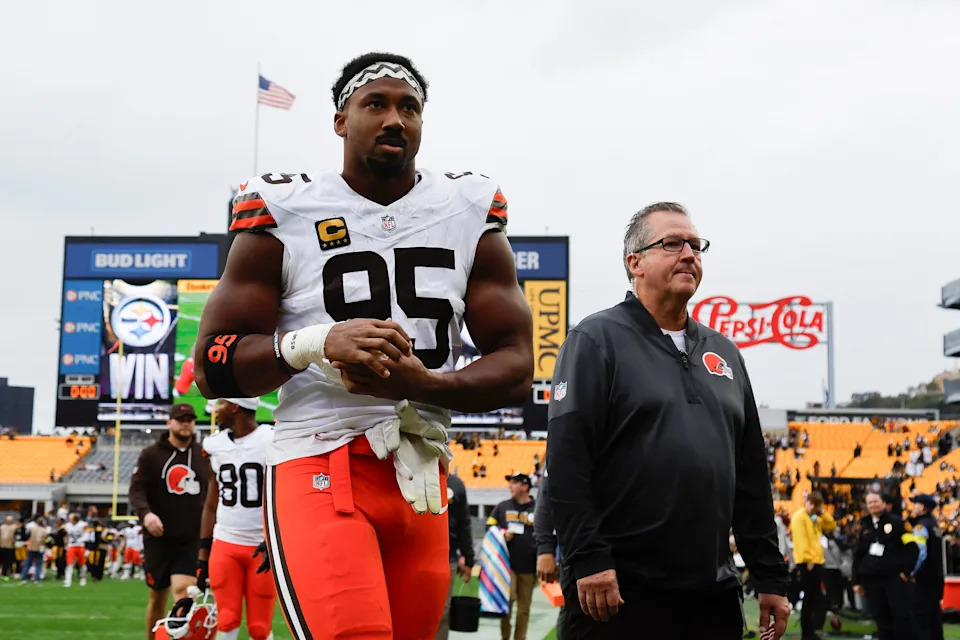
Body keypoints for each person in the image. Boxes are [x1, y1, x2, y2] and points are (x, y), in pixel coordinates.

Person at [193, 51, 533, 640]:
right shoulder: (284, 207)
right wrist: (314, 342)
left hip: (419, 466)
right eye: (375, 103)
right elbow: (213, 365)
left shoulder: (468, 206)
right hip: (320, 458)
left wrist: (425, 384)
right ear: (340, 121)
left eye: (409, 107)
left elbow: (517, 363)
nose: (395, 119)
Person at [546, 202, 790, 639]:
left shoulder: (726, 353)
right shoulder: (594, 339)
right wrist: (589, 558)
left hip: (711, 594)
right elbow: (566, 463)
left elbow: (750, 475)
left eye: (696, 246)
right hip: (618, 590)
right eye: (672, 243)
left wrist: (769, 574)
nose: (689, 254)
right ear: (634, 262)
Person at [128, 402, 210, 640]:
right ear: (170, 422)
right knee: (157, 598)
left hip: (190, 539)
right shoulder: (151, 455)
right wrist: (146, 514)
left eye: (190, 420)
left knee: (184, 595)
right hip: (158, 540)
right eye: (181, 419)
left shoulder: (202, 455)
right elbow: (136, 490)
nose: (186, 424)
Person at [197, 398, 276, 640]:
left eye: (220, 404)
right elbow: (211, 504)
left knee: (259, 628)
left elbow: (283, 498)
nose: (214, 411)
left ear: (235, 407)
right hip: (225, 544)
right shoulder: (214, 445)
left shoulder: (272, 440)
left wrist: (274, 539)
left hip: (262, 547)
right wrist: (202, 555)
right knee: (227, 619)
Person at [852, 490, 919, 640]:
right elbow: (858, 554)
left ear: (883, 503)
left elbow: (912, 549)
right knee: (881, 620)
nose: (873, 505)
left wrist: (906, 572)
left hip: (894, 579)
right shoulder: (864, 524)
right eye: (870, 502)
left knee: (901, 618)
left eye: (876, 501)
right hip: (871, 580)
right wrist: (856, 580)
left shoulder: (898, 523)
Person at [487, 473, 538, 640]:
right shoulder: (502, 506)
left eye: (514, 483)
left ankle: (520, 638)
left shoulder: (538, 508)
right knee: (507, 603)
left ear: (525, 487)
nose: (510, 486)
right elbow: (489, 529)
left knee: (524, 608)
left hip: (529, 565)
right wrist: (502, 533)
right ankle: (505, 637)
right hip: (506, 566)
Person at [790, 491, 836, 640]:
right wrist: (808, 560)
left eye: (815, 506)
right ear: (806, 502)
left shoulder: (815, 517)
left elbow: (831, 525)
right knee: (811, 598)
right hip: (808, 563)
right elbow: (801, 540)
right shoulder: (799, 517)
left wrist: (822, 513)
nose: (812, 507)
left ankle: (810, 631)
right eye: (811, 504)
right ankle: (808, 633)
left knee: (814, 599)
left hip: (817, 561)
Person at [436, 472, 475, 640]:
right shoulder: (413, 474)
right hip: (415, 553)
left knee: (443, 611)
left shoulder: (455, 484)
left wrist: (468, 558)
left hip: (447, 555)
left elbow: (464, 523)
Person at [534, 468, 568, 640]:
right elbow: (546, 496)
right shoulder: (568, 442)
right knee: (574, 612)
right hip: (578, 552)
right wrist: (545, 549)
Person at [909, 494, 944, 640]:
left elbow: (920, 553)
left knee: (922, 619)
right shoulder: (934, 524)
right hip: (936, 576)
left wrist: (911, 572)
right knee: (934, 618)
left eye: (915, 504)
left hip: (923, 578)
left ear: (922, 507)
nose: (913, 507)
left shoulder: (921, 526)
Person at [63, 512, 89, 587]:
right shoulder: (67, 525)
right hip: (71, 546)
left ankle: (83, 579)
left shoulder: (83, 525)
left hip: (80, 546)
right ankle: (68, 580)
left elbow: (87, 536)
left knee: (82, 564)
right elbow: (66, 535)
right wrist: (66, 544)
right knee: (69, 564)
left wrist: (78, 540)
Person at [20, 514, 47, 583]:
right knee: (38, 565)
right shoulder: (45, 531)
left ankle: (24, 578)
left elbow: (27, 537)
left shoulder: (32, 529)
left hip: (31, 548)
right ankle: (36, 579)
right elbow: (47, 540)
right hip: (40, 548)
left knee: (28, 564)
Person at [0, 515, 16, 580]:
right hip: (9, 547)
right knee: (7, 562)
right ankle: (5, 575)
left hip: (3, 547)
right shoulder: (14, 527)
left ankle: (6, 574)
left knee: (5, 562)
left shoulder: (2, 527)